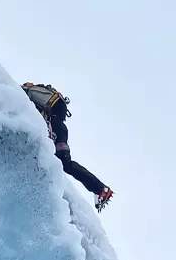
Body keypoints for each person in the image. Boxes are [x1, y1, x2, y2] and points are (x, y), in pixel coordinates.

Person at [22, 82, 113, 210]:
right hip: (59, 128)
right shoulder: (43, 99)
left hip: (55, 127)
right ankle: (100, 189)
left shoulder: (25, 94)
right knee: (65, 163)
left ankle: (100, 189)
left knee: (62, 163)